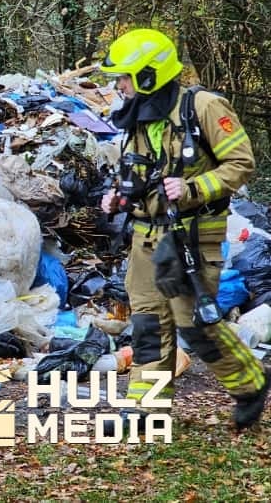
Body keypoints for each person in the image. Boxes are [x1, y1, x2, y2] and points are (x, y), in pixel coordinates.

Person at [100, 28, 269, 430]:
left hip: (192, 235)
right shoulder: (140, 115)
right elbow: (141, 171)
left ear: (149, 74)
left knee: (195, 325)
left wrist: (193, 188)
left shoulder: (204, 107)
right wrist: (119, 196)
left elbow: (241, 163)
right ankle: (146, 410)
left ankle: (251, 383)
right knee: (147, 323)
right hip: (145, 235)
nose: (119, 86)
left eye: (124, 77)